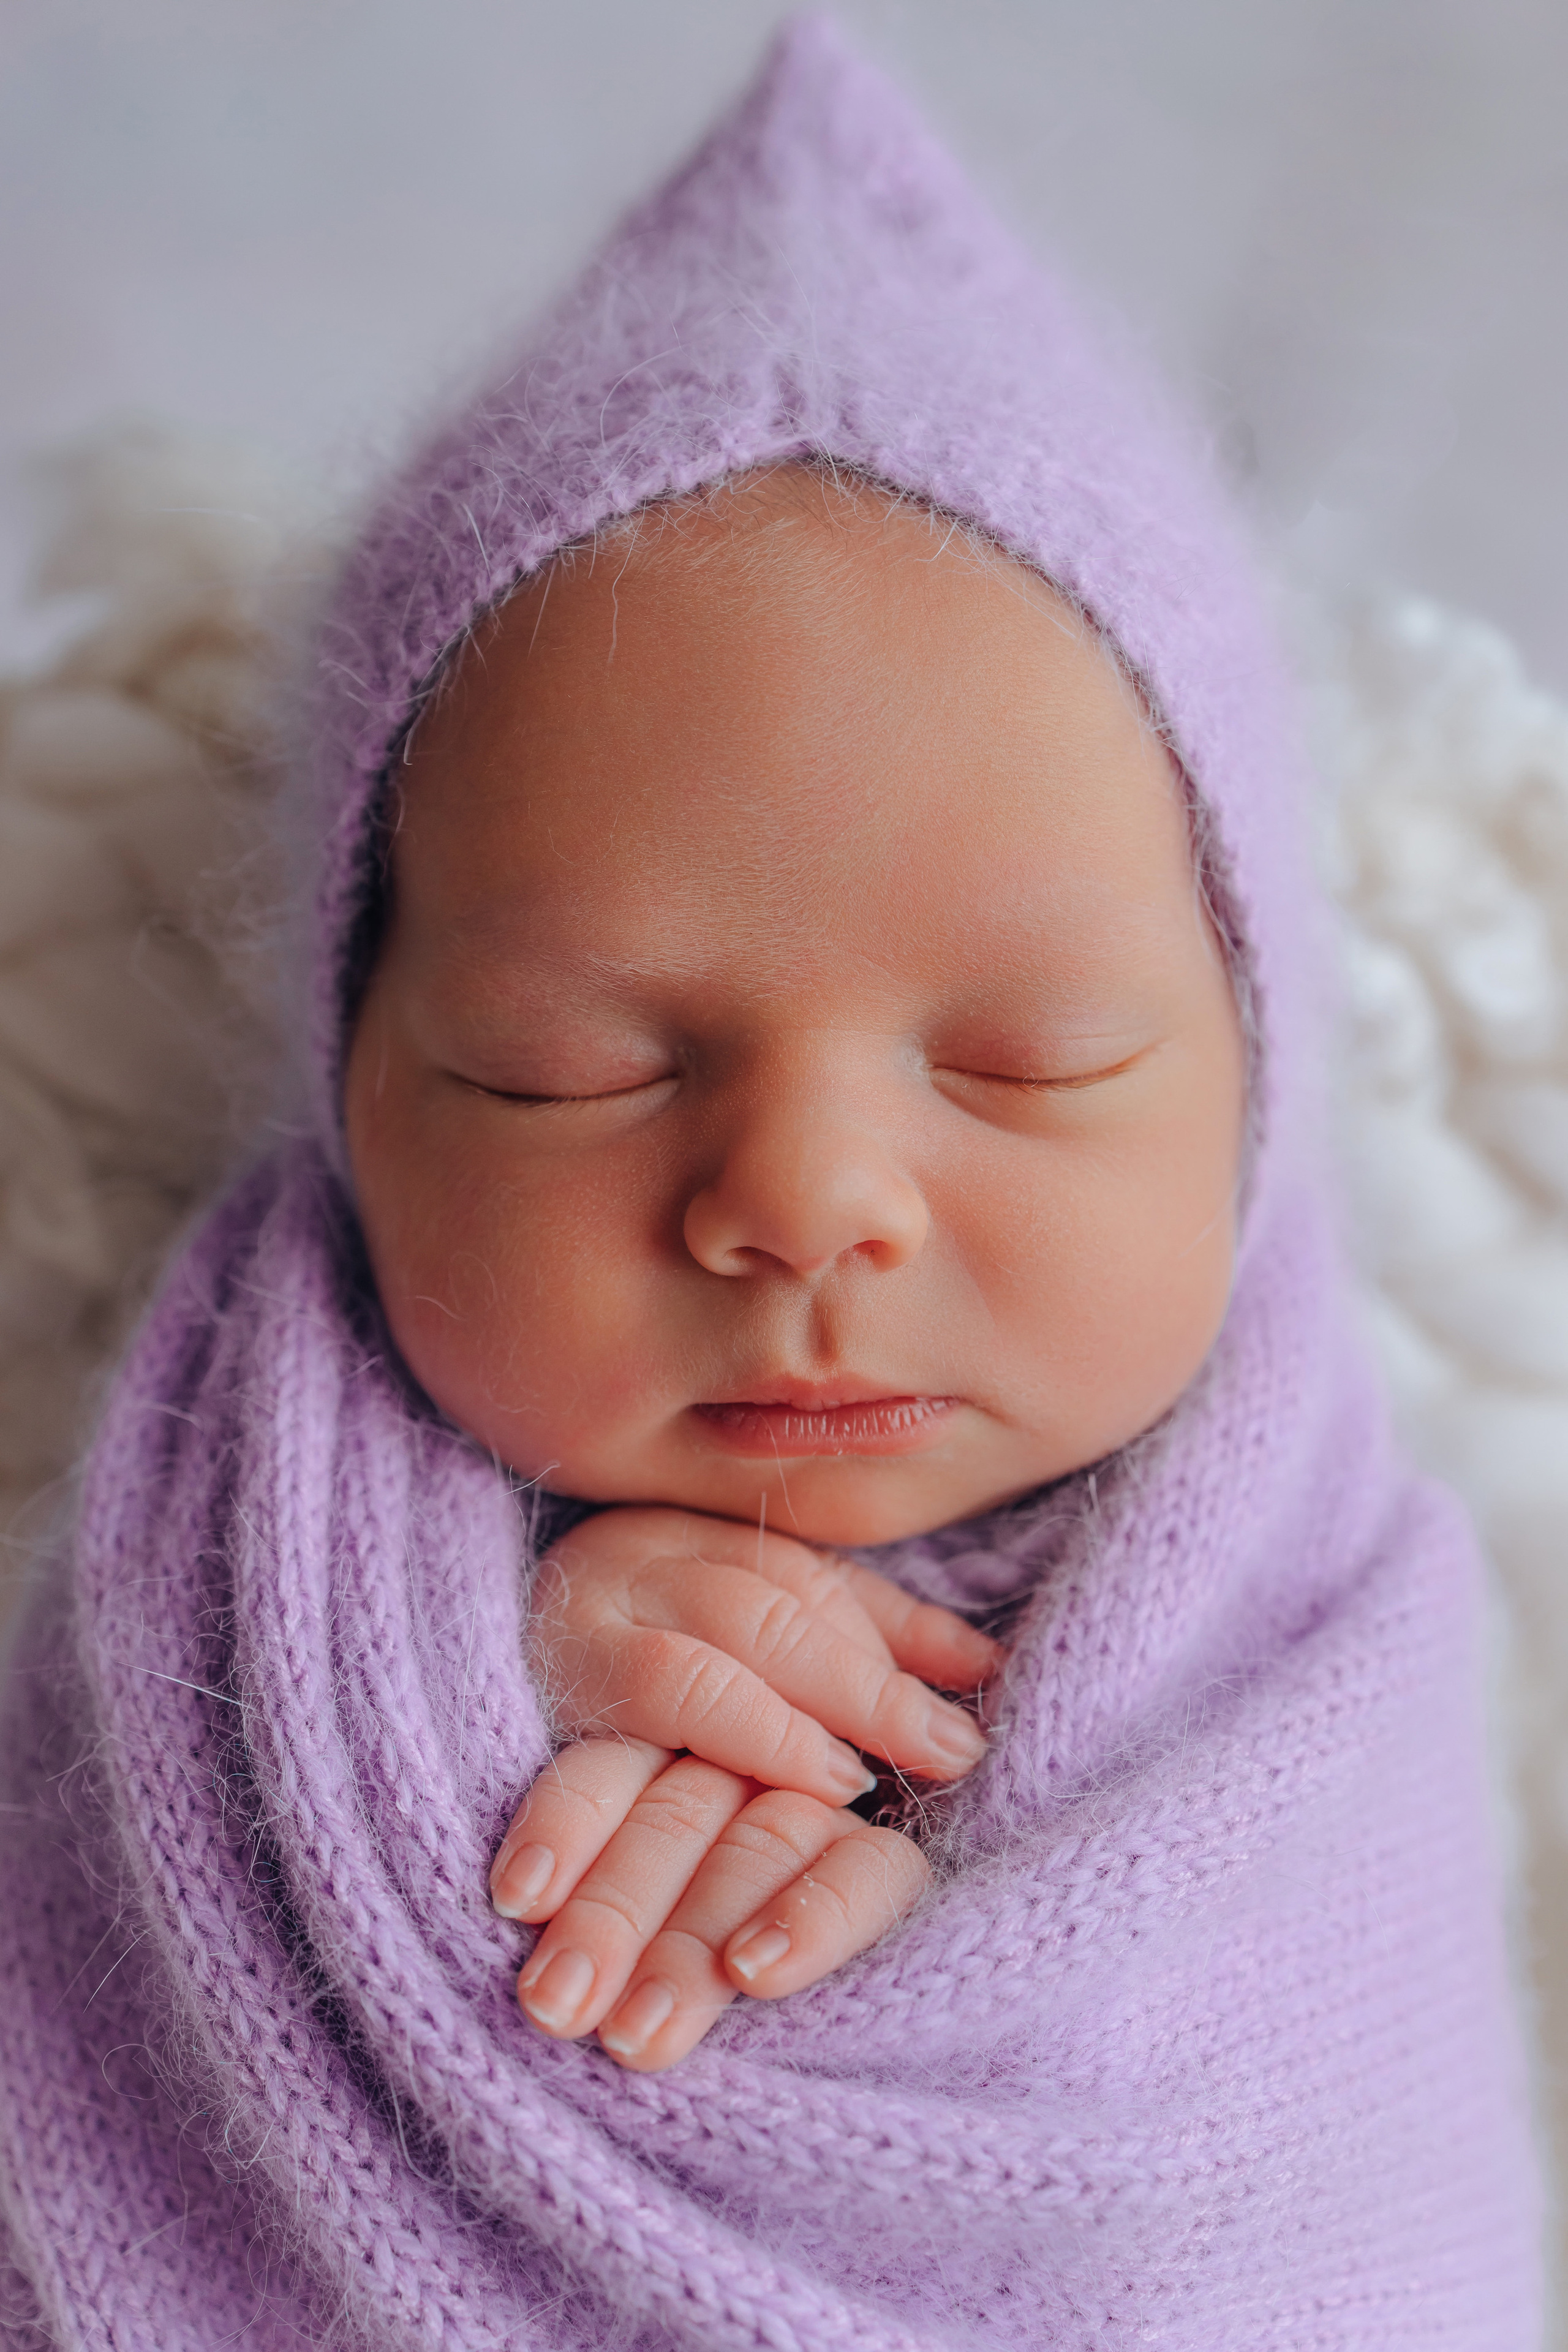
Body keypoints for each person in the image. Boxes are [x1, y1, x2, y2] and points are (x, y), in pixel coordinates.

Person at [0, 17, 1540, 2346]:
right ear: (348, 1082)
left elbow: (1332, 2206)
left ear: (1254, 1080)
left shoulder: (1339, 1626)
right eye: (564, 1073)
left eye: (1033, 1060)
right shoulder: (202, 1543)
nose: (807, 1205)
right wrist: (453, 1710)